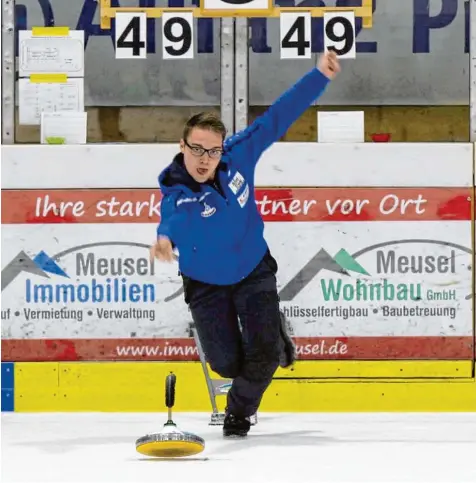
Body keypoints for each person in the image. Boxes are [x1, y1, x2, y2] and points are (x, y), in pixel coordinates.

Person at [150, 50, 341, 437]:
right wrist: (164, 237)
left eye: (212, 150)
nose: (204, 159)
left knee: (265, 355)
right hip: (205, 283)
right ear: (182, 146)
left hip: (252, 267)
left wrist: (319, 76)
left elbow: (278, 117)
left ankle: (238, 413)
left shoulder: (238, 155)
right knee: (225, 364)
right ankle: (271, 337)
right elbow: (172, 217)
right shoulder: (177, 190)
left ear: (222, 149)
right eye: (197, 149)